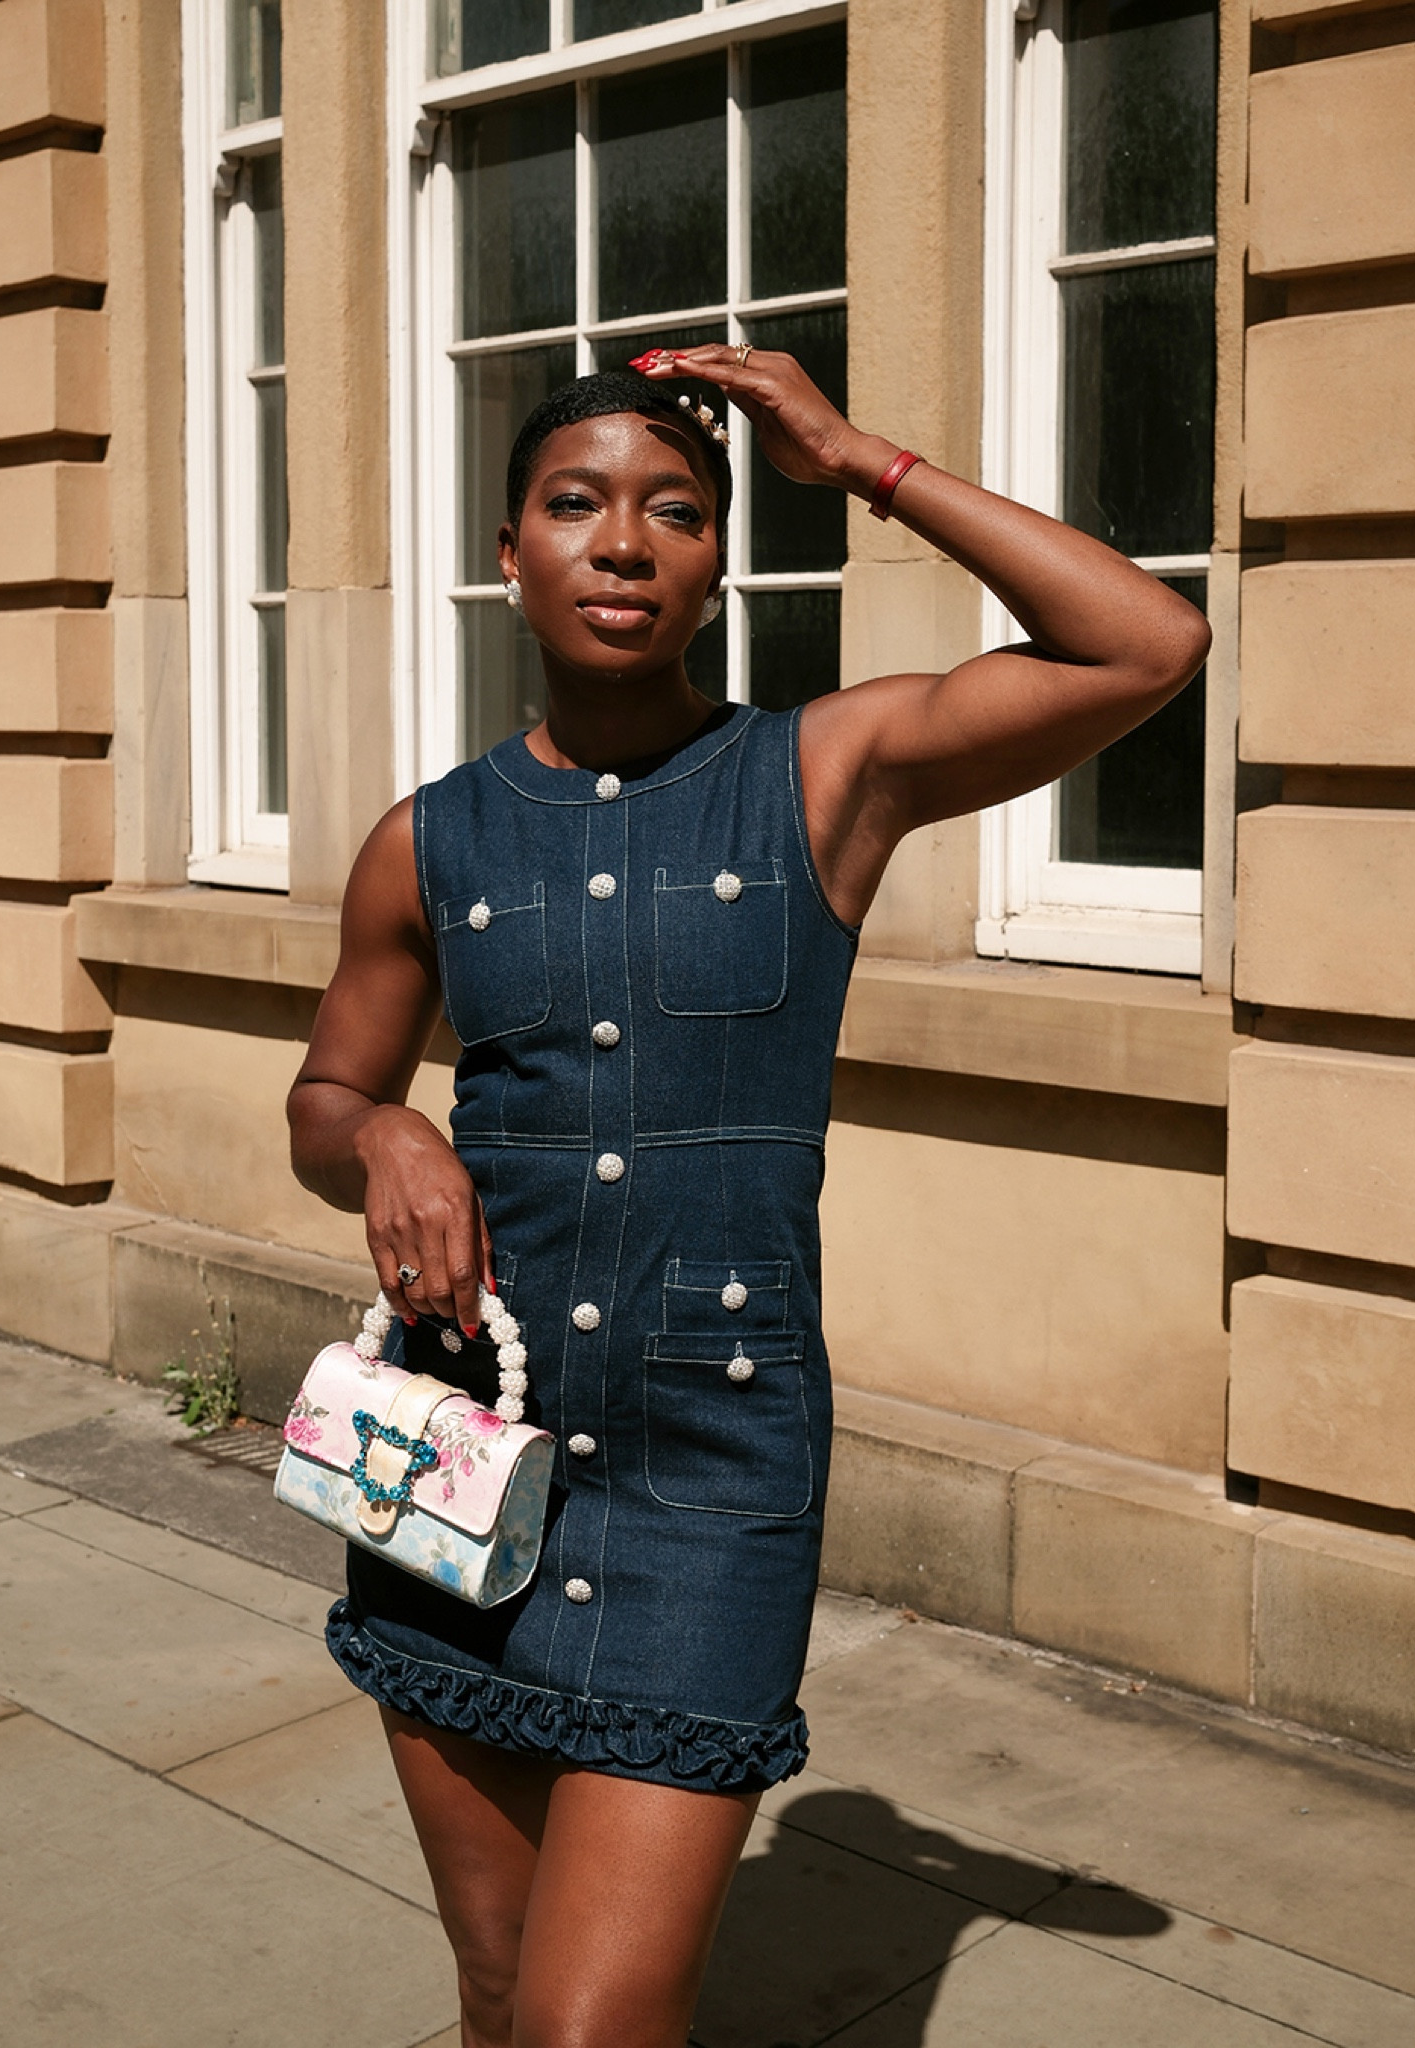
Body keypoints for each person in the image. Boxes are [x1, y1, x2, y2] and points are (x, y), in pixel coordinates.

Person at [286, 344, 1209, 2048]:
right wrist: (388, 1137)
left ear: (718, 560)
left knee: (587, 2026)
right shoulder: (428, 840)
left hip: (713, 1474)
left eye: (676, 511)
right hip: (459, 1446)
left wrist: (859, 460)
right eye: (577, 504)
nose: (623, 542)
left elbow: (1146, 644)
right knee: (494, 1994)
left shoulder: (826, 776)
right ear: (510, 551)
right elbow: (326, 1095)